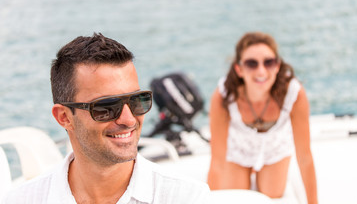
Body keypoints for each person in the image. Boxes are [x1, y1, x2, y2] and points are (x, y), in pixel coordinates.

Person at [2, 33, 210, 204]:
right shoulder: (21, 200)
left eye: (138, 101)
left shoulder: (187, 197)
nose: (128, 119)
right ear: (64, 117)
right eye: (106, 107)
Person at [207, 32, 318, 203]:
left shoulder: (294, 94)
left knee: (271, 195)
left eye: (269, 62)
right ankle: (247, 172)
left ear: (277, 66)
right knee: (236, 197)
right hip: (238, 150)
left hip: (275, 149)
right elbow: (217, 162)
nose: (261, 71)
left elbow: (304, 157)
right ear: (239, 69)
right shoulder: (223, 96)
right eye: (252, 63)